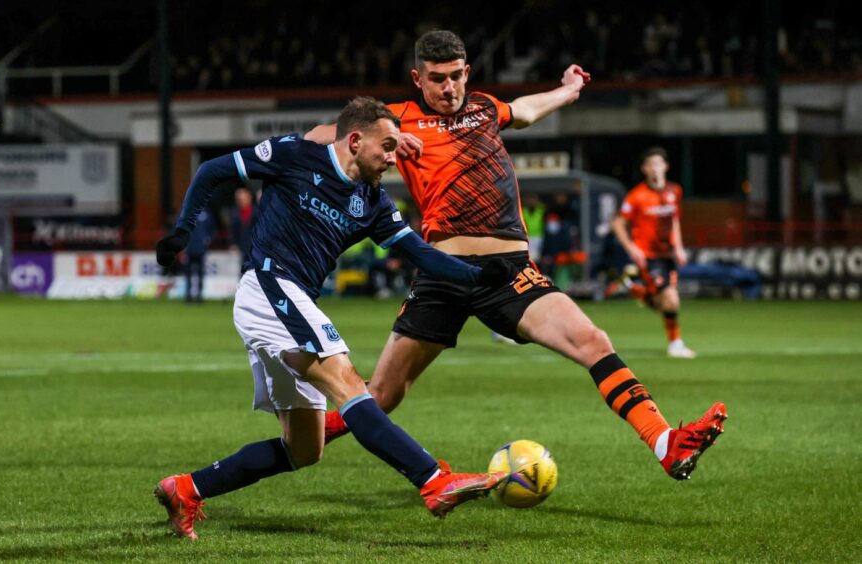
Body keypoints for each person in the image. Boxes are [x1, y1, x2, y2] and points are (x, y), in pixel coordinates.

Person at [308, 30, 727, 481]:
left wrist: (568, 90)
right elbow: (317, 137)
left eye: (454, 77)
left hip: (508, 275)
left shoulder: (485, 108)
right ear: (417, 79)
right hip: (442, 274)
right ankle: (302, 439)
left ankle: (666, 443)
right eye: (436, 80)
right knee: (384, 395)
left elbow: (526, 109)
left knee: (593, 341)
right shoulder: (399, 120)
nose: (448, 89)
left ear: (467, 73)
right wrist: (383, 141)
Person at [153, 97, 517, 540]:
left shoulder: (374, 202)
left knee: (305, 449)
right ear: (356, 140)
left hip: (290, 300)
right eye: (386, 147)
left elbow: (418, 253)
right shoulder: (295, 155)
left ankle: (187, 489)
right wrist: (183, 231)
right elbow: (212, 170)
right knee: (348, 381)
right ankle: (432, 480)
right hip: (269, 285)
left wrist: (479, 276)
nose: (392, 157)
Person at [610, 147, 696, 359]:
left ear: (665, 166)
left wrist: (679, 247)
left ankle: (634, 289)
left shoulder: (674, 191)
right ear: (645, 169)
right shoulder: (636, 196)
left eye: (659, 164)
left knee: (664, 303)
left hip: (668, 255)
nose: (655, 168)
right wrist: (632, 248)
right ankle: (675, 344)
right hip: (648, 256)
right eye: (651, 165)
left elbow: (674, 219)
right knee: (671, 299)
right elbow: (618, 223)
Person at [183, 209, 215, 303]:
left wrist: (208, 238)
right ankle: (188, 293)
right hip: (189, 248)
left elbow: (212, 228)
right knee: (188, 272)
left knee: (200, 272)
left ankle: (199, 294)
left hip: (201, 248)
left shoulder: (206, 214)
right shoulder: (186, 212)